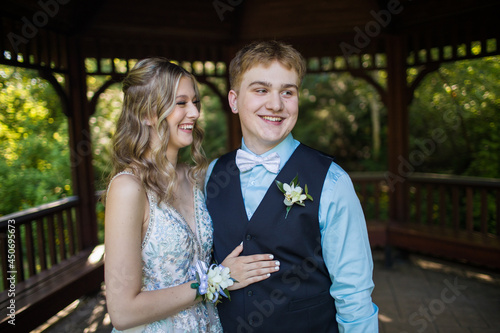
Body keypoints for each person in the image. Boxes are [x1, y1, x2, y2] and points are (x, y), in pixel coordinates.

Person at [205, 41, 379, 332]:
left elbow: (354, 292)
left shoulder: (332, 181)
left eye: (287, 92)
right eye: (261, 90)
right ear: (234, 101)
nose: (275, 104)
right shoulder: (213, 173)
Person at [104, 57, 280, 332]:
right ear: (148, 113)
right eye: (181, 103)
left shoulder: (195, 177)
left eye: (195, 102)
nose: (195, 113)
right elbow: (122, 312)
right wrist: (216, 280)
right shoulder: (128, 188)